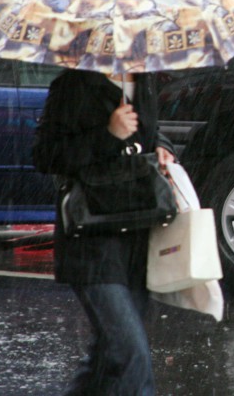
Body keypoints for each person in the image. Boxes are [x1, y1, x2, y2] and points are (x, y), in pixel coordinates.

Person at [33, 69, 176, 395]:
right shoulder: (73, 84)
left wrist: (164, 146)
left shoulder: (145, 79)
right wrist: (108, 134)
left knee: (107, 355)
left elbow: (149, 133)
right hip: (92, 240)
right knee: (130, 353)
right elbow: (46, 155)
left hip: (138, 231)